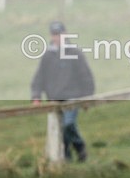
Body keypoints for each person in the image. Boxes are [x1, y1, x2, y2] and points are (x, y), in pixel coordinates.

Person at [31, 21, 95, 161]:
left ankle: (78, 147)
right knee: (59, 129)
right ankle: (68, 156)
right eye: (54, 35)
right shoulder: (47, 56)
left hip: (73, 98)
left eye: (59, 34)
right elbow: (39, 77)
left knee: (68, 124)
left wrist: (87, 98)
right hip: (54, 99)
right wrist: (36, 96)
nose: (57, 37)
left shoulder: (75, 53)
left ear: (65, 34)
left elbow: (86, 77)